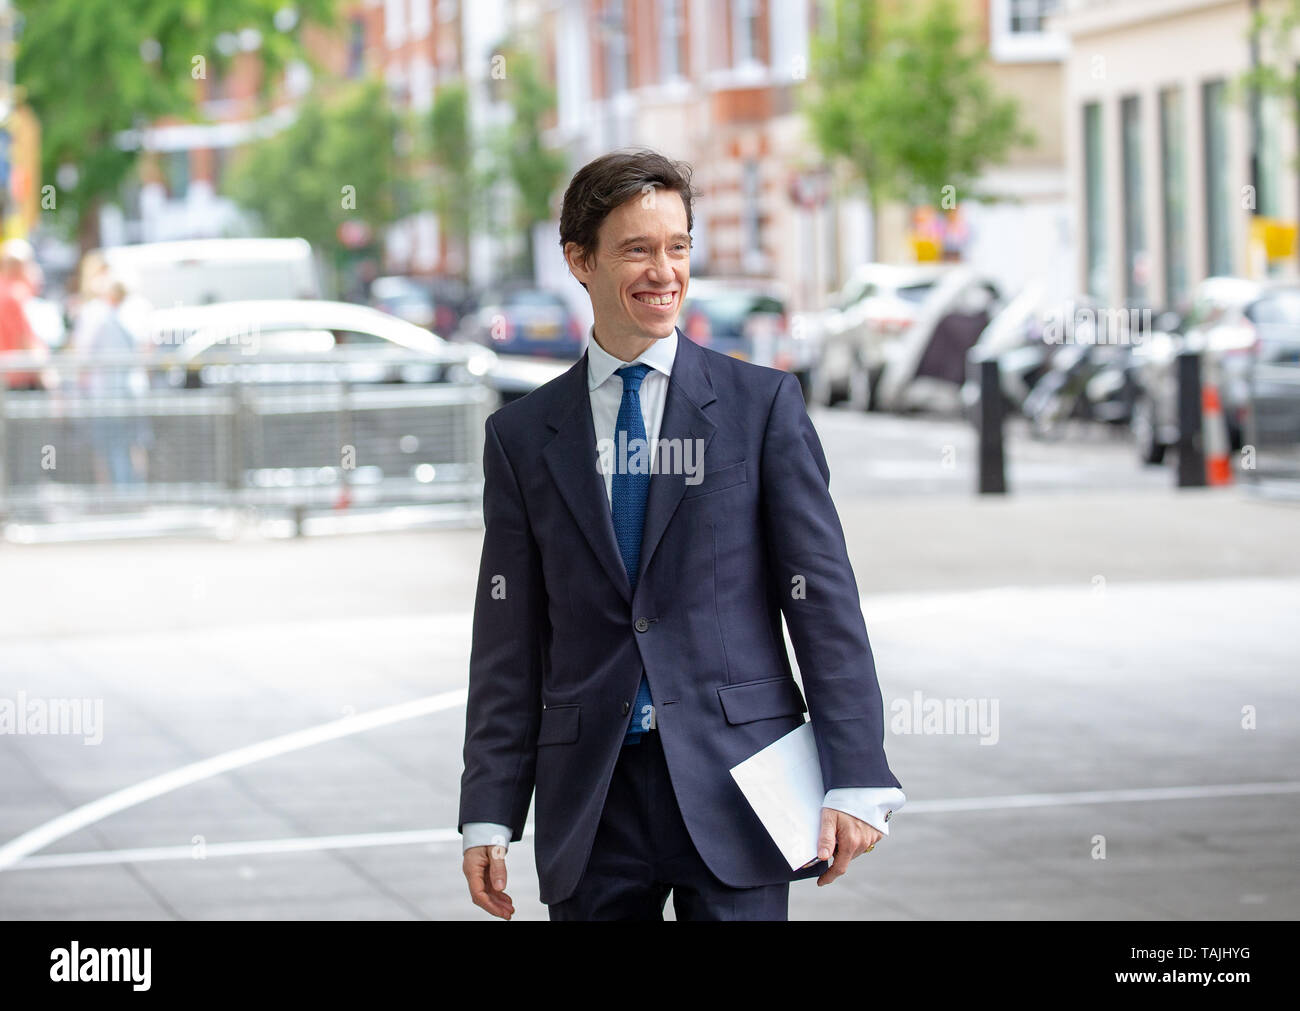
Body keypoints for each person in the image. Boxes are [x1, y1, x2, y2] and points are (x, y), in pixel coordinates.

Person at [458, 149, 903, 921]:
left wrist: (858, 774)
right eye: (636, 248)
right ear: (579, 260)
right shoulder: (523, 437)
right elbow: (507, 638)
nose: (663, 271)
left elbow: (823, 598)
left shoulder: (761, 407)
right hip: (592, 798)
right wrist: (491, 810)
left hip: (739, 783)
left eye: (677, 246)